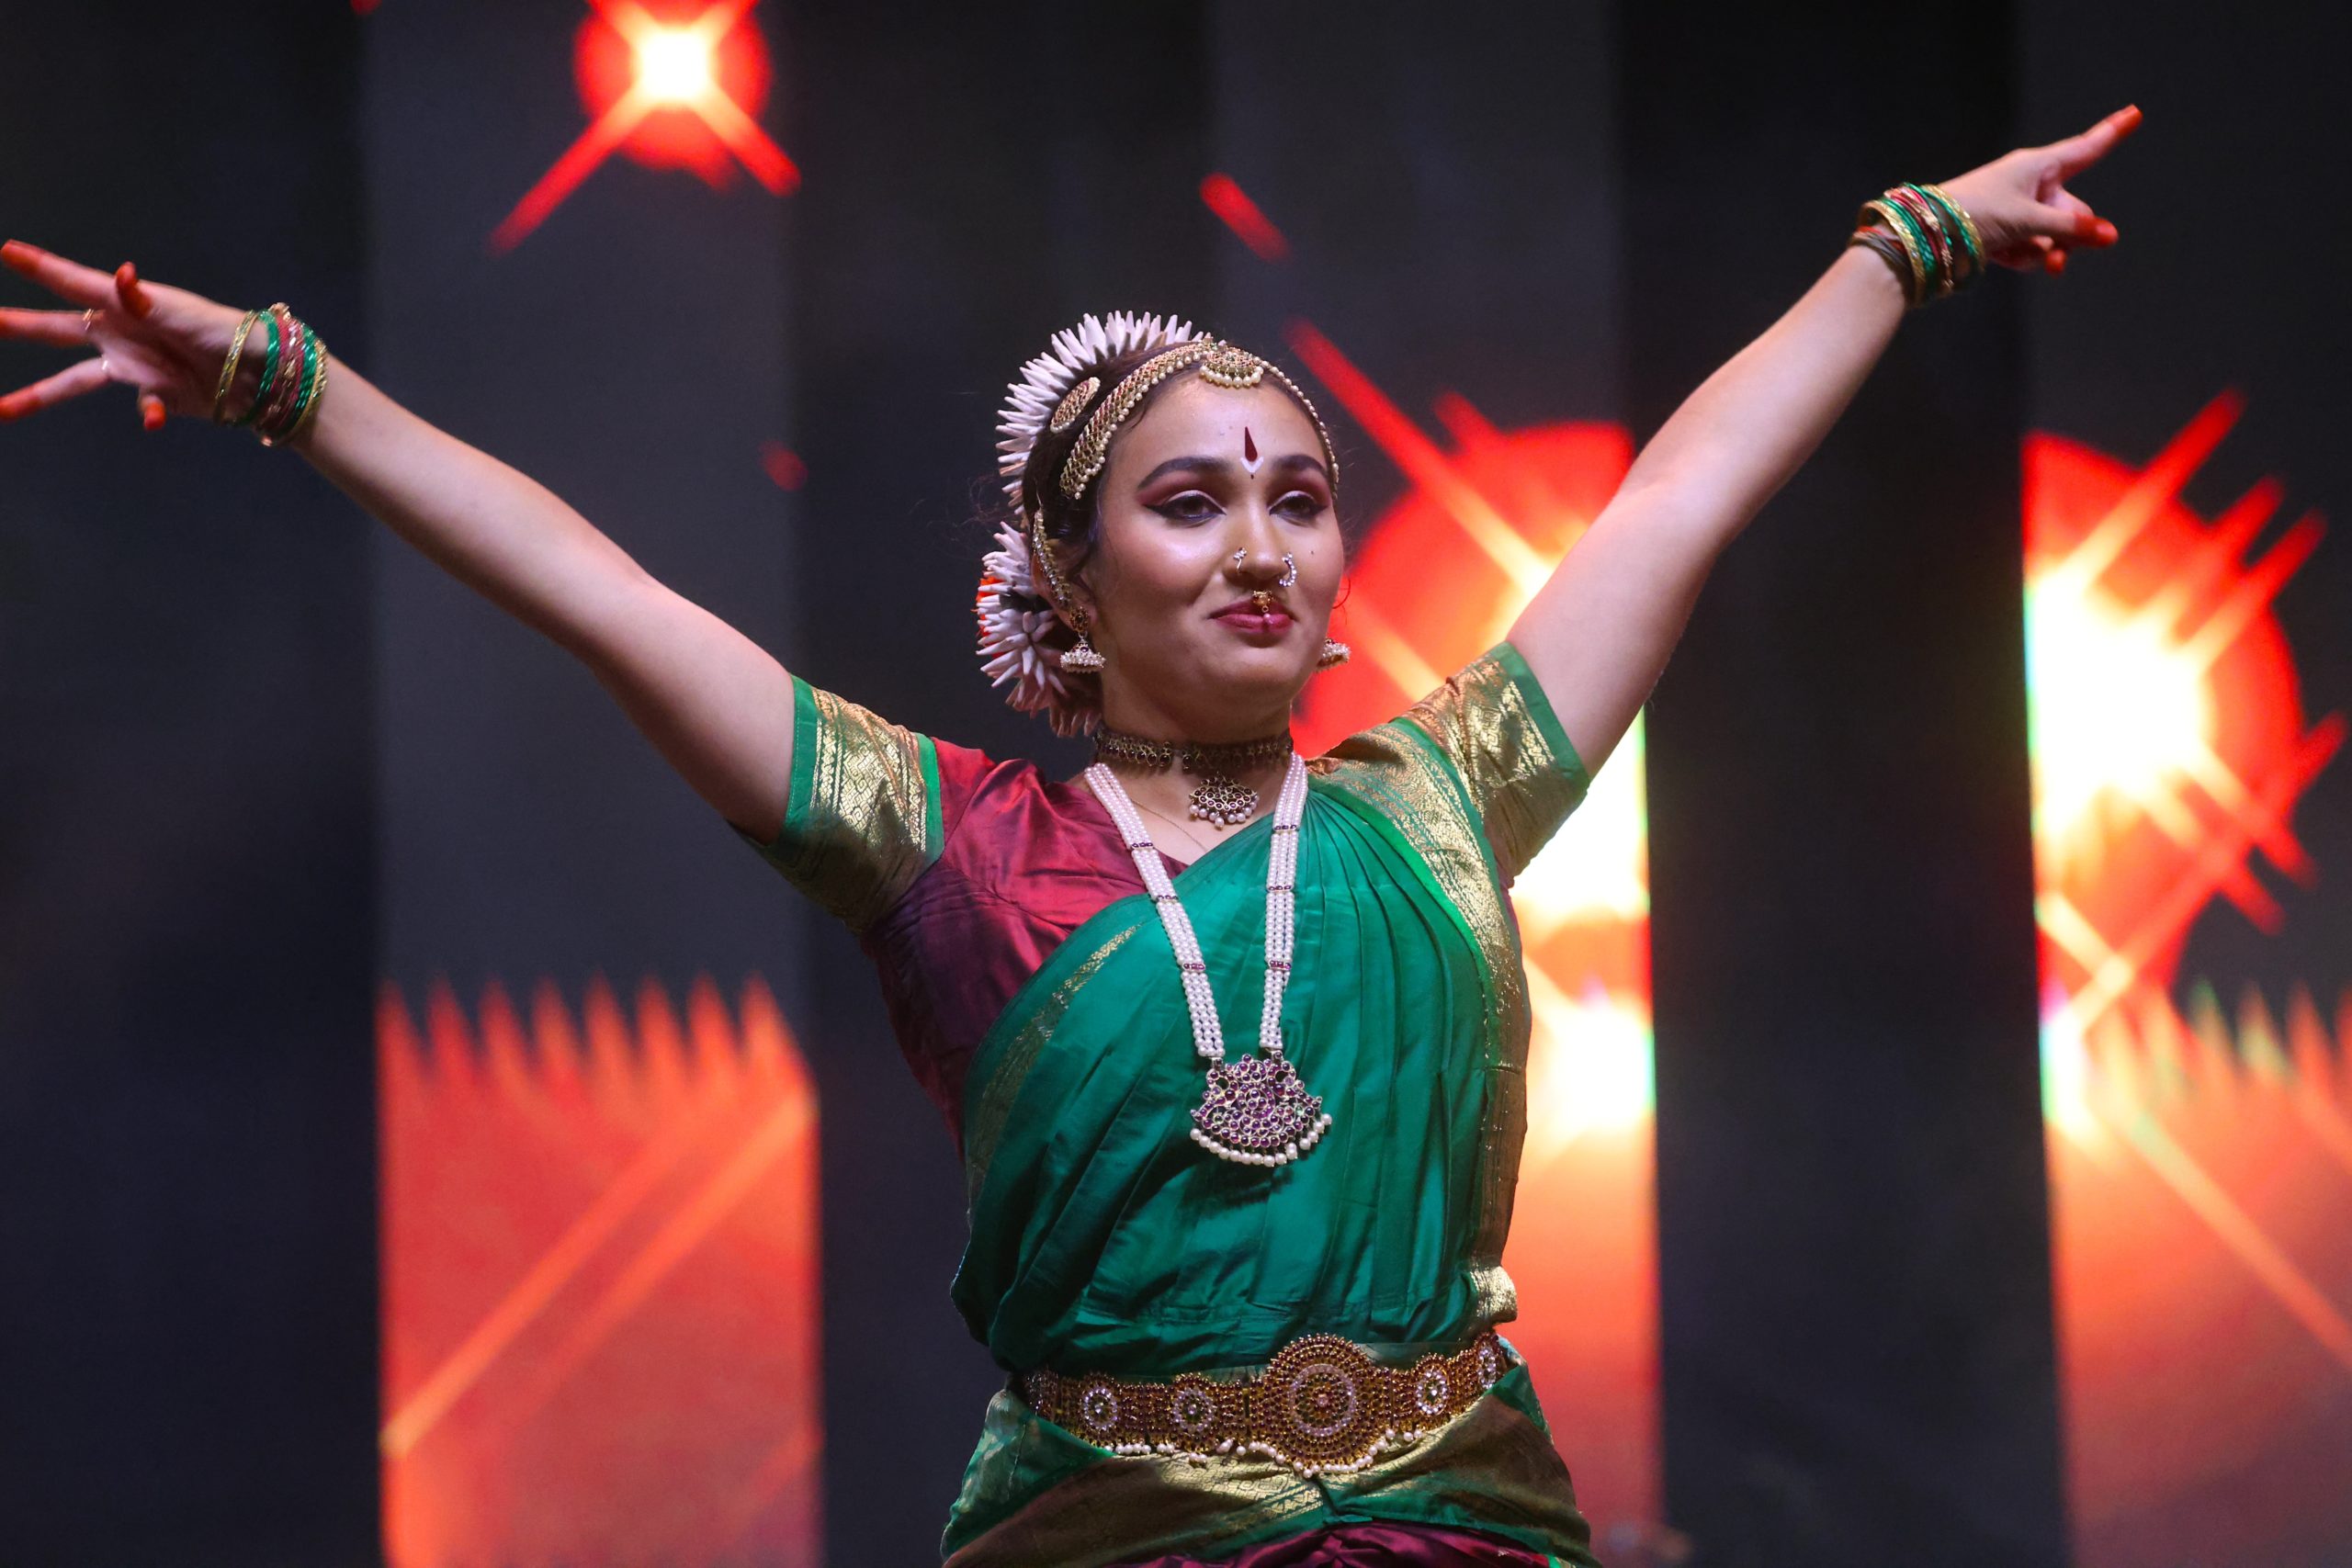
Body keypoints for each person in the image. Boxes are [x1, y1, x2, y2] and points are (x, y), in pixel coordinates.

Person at [0, 103, 2140, 1567]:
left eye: (1297, 499)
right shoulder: (935, 837)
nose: (1260, 546)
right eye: (1188, 503)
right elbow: (601, 592)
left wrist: (1907, 244)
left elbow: (1677, 494)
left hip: (1462, 1519)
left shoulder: (1440, 795)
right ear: (1068, 580)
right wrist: (288, 384)